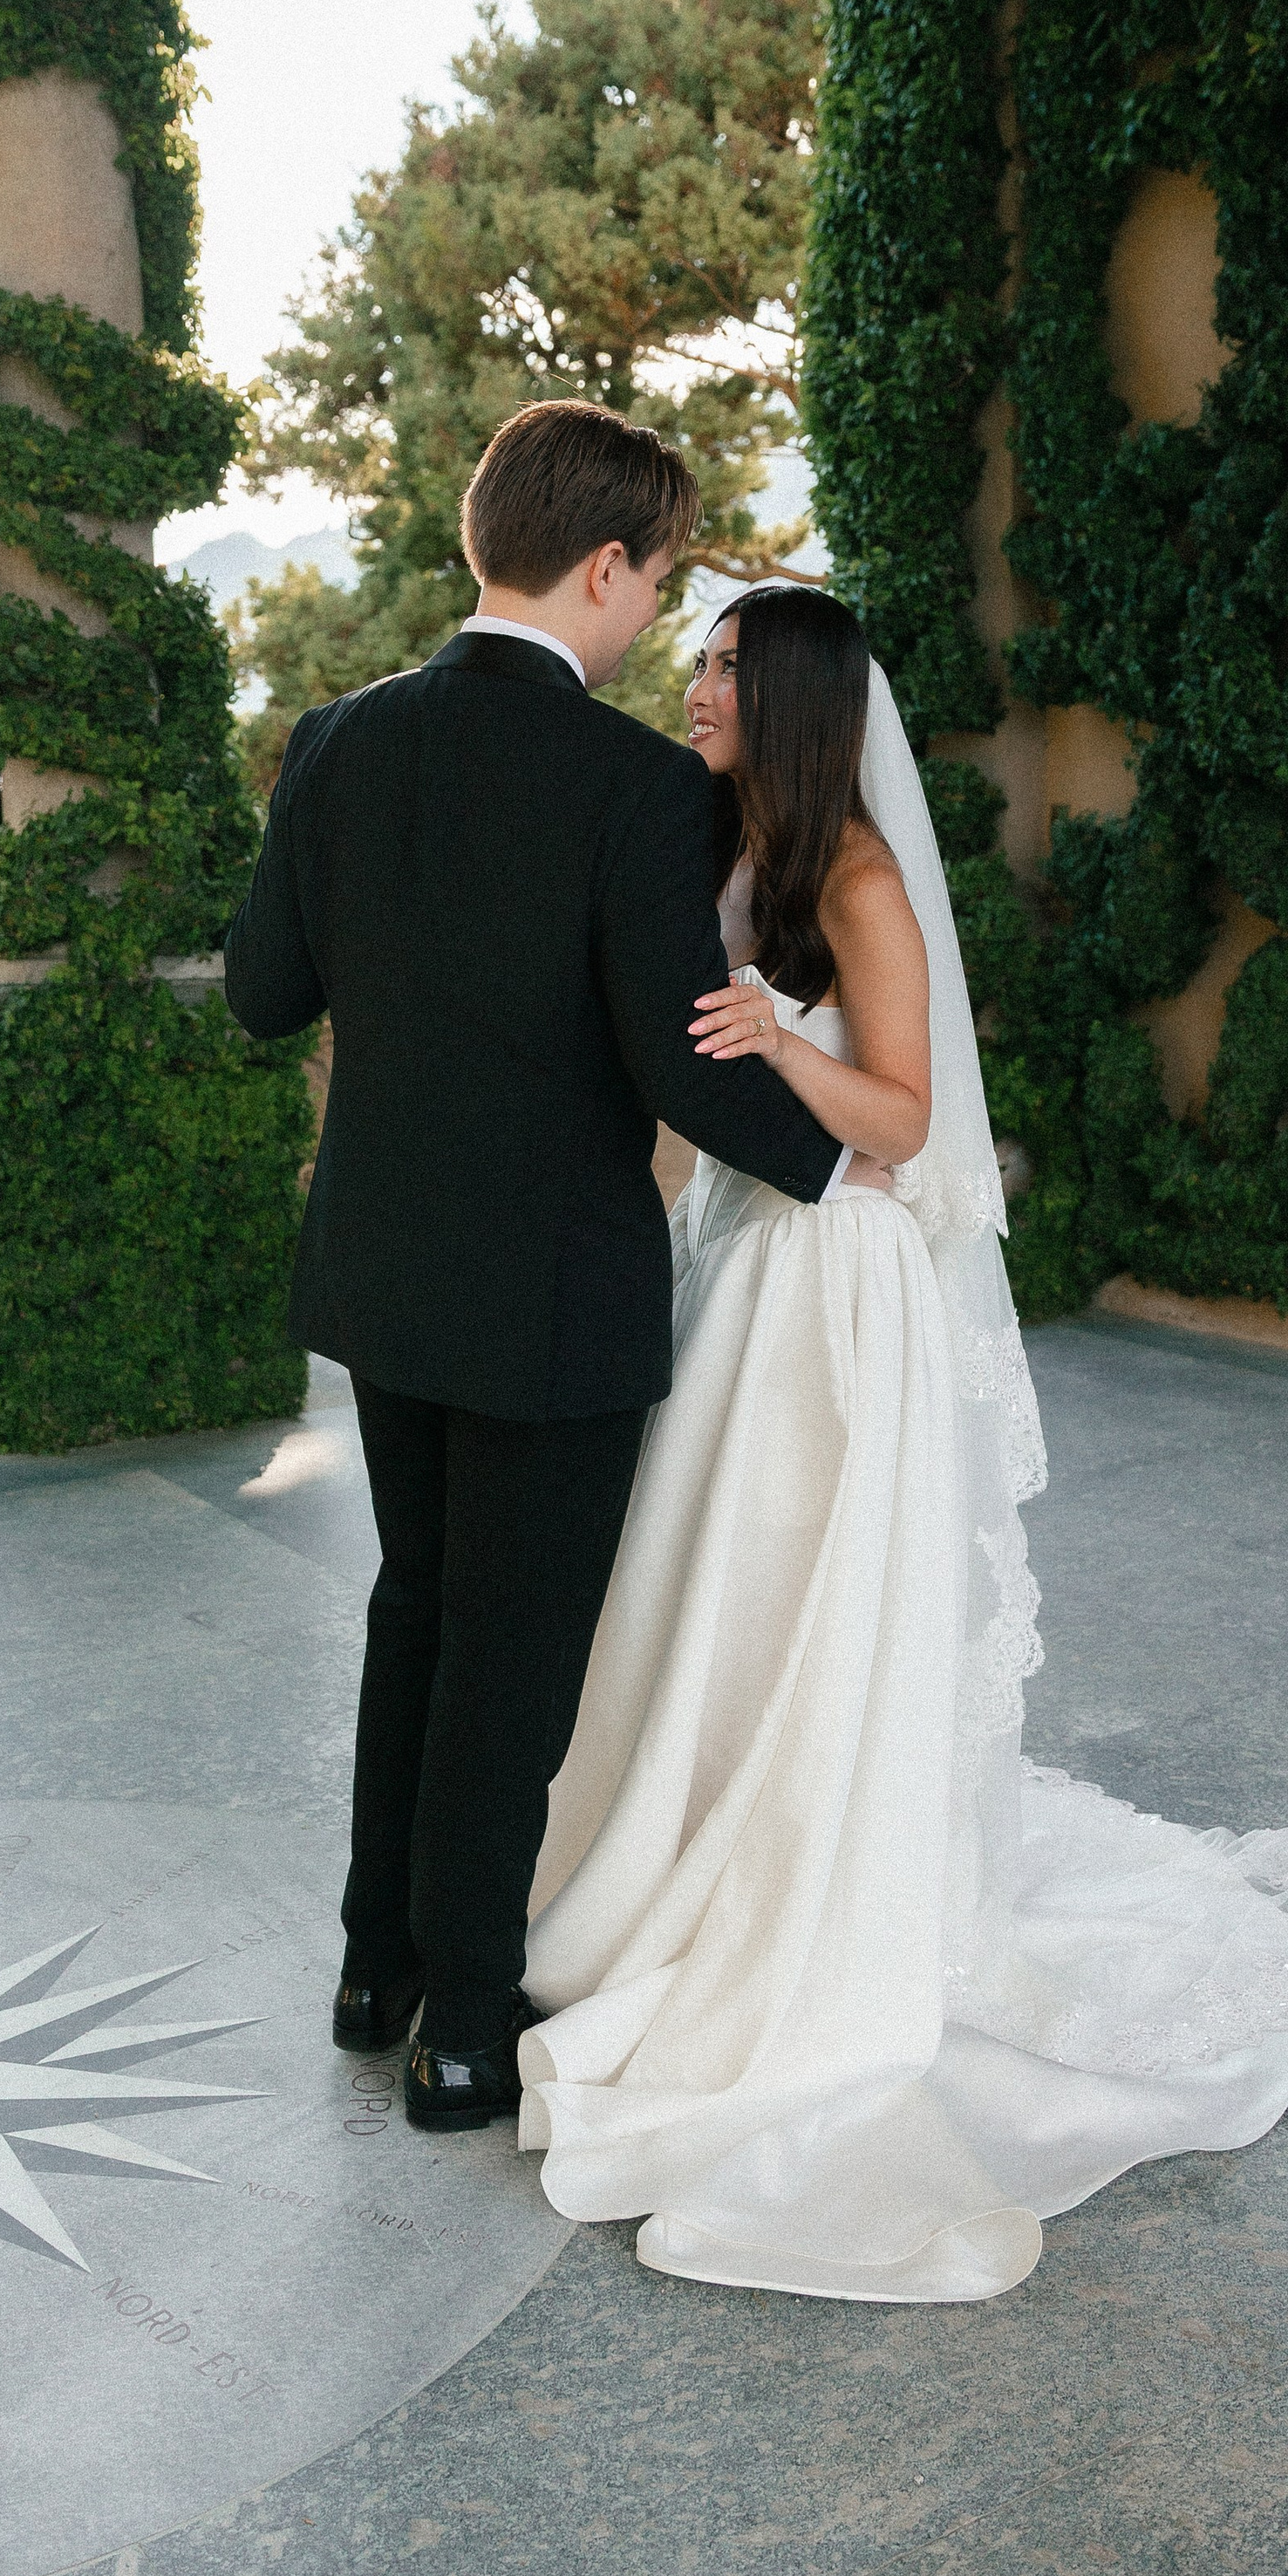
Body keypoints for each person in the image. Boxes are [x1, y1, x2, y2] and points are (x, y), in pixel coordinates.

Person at [515, 586, 1288, 2301]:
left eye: (722, 674)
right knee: (715, 1591)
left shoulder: (854, 883)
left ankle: (808, 1895)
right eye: (690, 661)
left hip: (840, 1291)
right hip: (746, 1269)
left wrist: (778, 1038)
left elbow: (904, 1121)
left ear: (802, 708)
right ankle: (693, 1859)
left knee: (807, 1593)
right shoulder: (741, 861)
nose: (691, 689)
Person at [223, 407, 881, 2133]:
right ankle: (460, 2028)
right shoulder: (638, 789)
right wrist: (847, 1166)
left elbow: (260, 991)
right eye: (659, 582)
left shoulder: (335, 741)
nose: (657, 620)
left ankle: (372, 1969)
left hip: (379, 1270)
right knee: (512, 1658)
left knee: (415, 1610)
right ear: (604, 566)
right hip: (551, 1296)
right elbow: (677, 1066)